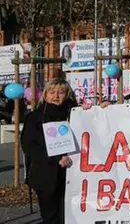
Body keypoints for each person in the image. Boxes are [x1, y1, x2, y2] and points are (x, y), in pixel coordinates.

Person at [21, 79, 80, 224]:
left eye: (61, 92)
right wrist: (55, 158)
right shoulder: (35, 117)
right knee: (51, 218)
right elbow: (29, 146)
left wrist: (102, 110)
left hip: (74, 174)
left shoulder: (77, 115)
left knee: (73, 217)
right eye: (52, 92)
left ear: (68, 95)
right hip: (46, 176)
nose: (56, 96)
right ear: (45, 95)